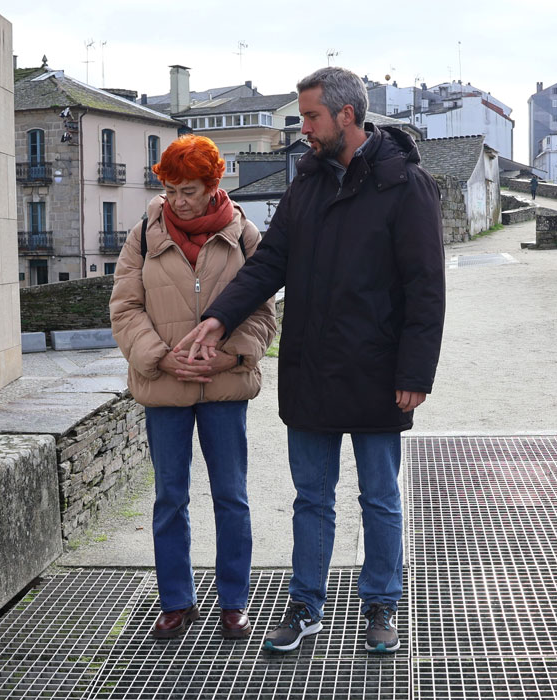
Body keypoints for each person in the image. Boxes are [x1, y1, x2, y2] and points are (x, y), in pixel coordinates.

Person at [175, 67, 445, 654]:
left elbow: (426, 287)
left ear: (347, 115)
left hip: (378, 370)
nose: (303, 128)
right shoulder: (308, 182)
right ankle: (306, 606)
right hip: (311, 368)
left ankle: (381, 603)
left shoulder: (407, 184)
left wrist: (415, 373)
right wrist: (219, 319)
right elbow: (269, 262)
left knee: (379, 497)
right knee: (311, 498)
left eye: (311, 116)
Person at [110, 135, 276, 641]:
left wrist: (233, 354)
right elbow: (124, 308)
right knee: (170, 498)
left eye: (189, 191)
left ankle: (234, 602)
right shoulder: (143, 235)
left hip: (224, 387)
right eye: (170, 190)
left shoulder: (245, 235)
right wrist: (160, 358)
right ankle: (176, 601)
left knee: (231, 496)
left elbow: (264, 311)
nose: (178, 201)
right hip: (164, 388)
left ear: (212, 185)